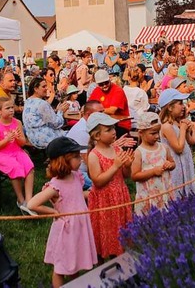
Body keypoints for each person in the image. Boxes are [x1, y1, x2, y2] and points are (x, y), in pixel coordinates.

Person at [27, 137, 98, 288]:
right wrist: (54, 213)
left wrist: (92, 193)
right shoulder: (55, 186)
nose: (81, 160)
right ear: (64, 160)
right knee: (61, 267)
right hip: (67, 230)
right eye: (77, 157)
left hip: (79, 226)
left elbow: (78, 195)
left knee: (75, 261)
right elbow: (32, 204)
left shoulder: (76, 176)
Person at [86, 113, 133, 258]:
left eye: (113, 128)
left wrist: (127, 166)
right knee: (106, 230)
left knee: (120, 228)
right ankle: (102, 260)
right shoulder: (94, 155)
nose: (114, 132)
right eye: (108, 130)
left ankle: (120, 256)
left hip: (120, 195)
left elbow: (125, 175)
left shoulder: (117, 149)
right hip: (104, 200)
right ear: (97, 136)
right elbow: (98, 181)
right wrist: (115, 166)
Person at [0, 97, 35, 215]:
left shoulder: (17, 123)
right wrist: (6, 139)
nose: (11, 110)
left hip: (17, 151)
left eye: (12, 107)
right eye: (7, 108)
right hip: (2, 154)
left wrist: (18, 138)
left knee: (29, 167)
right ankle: (21, 200)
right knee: (16, 168)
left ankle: (29, 200)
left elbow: (22, 143)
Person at [131, 113, 175, 215]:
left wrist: (170, 165)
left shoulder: (164, 148)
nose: (156, 136)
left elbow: (173, 163)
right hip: (148, 195)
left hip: (164, 190)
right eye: (152, 133)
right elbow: (134, 176)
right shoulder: (139, 153)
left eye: (158, 132)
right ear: (141, 133)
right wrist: (153, 172)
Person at [159, 89, 195, 197]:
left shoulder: (179, 122)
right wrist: (182, 129)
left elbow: (191, 141)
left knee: (188, 188)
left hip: (185, 162)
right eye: (180, 103)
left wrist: (192, 130)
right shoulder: (166, 126)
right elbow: (178, 148)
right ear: (170, 107)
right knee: (177, 190)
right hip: (175, 164)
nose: (184, 106)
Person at [22, 77, 67, 149]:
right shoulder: (41, 103)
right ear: (35, 89)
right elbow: (56, 124)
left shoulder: (28, 101)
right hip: (44, 138)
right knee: (73, 136)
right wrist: (61, 111)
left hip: (33, 137)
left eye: (46, 86)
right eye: (43, 86)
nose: (46, 88)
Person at [88, 70, 131, 137]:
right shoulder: (97, 90)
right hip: (103, 123)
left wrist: (96, 111)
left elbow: (112, 110)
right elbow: (89, 106)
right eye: (101, 84)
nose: (104, 86)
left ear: (109, 80)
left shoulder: (117, 90)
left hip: (120, 124)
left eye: (106, 83)